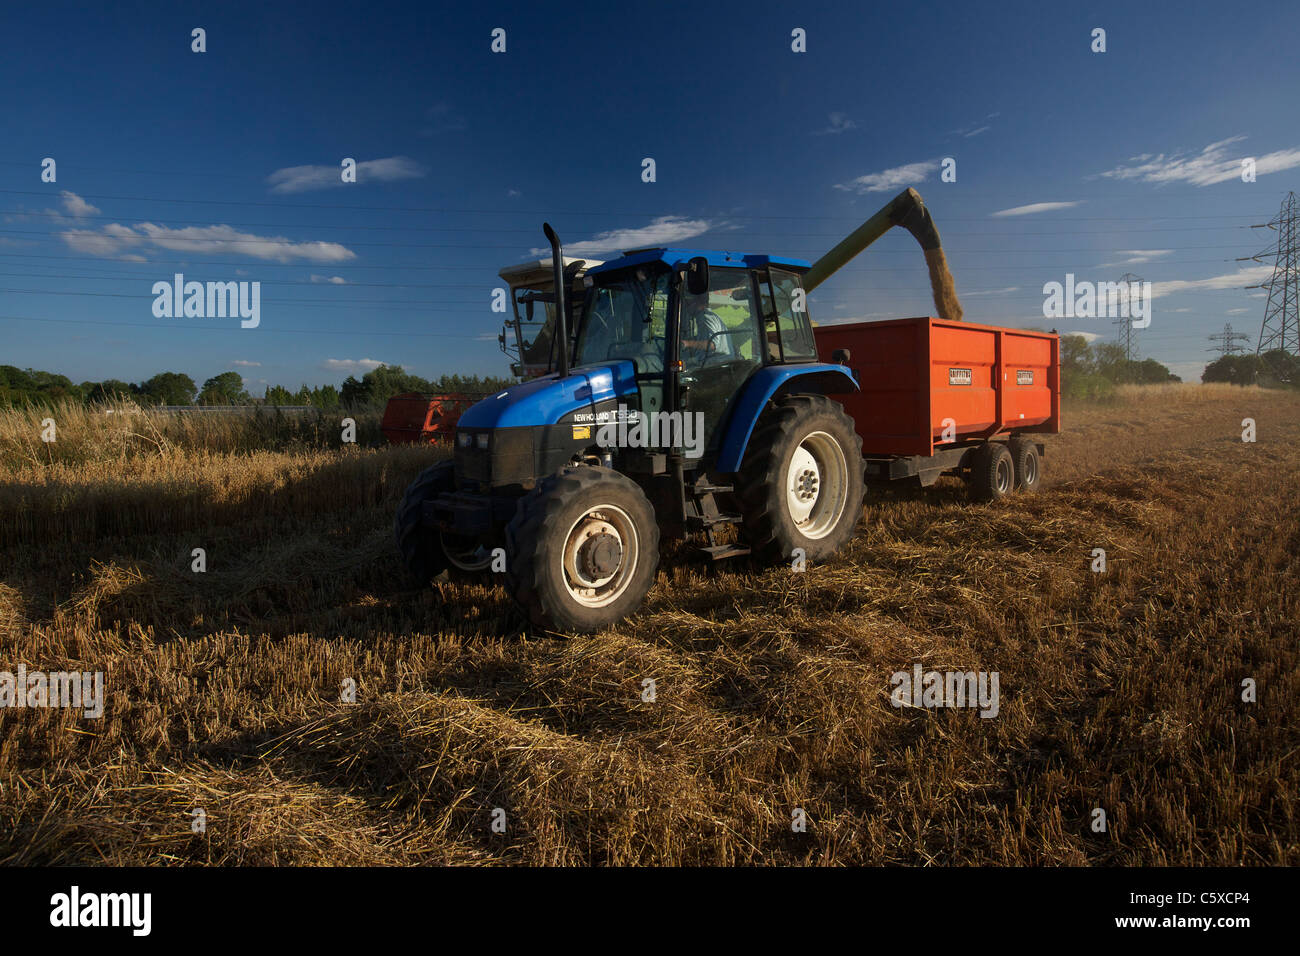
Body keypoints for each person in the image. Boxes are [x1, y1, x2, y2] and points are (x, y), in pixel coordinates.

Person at [679, 291, 732, 367]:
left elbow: (712, 345)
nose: (687, 307)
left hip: (716, 367)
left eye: (688, 303)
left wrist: (687, 343)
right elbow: (705, 339)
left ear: (697, 302)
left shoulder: (705, 317)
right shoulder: (710, 316)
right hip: (714, 364)